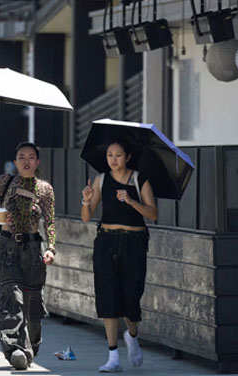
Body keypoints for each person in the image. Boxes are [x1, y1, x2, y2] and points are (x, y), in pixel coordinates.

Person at [80, 138, 158, 373]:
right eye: (110, 155)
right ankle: (113, 354)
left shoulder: (139, 179)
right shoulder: (102, 179)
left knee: (131, 299)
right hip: (106, 241)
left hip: (134, 242)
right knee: (107, 296)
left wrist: (131, 200)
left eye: (118, 155)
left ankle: (132, 335)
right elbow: (86, 216)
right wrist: (86, 200)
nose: (113, 160)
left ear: (128, 157)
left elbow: (153, 214)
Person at [0, 142, 56, 370]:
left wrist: (51, 248)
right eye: (21, 157)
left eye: (31, 156)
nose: (26, 161)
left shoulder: (45, 189)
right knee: (10, 297)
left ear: (37, 162)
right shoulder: (5, 181)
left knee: (32, 304)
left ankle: (31, 344)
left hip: (33, 249)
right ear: (15, 162)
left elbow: (51, 221)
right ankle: (15, 349)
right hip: (7, 246)